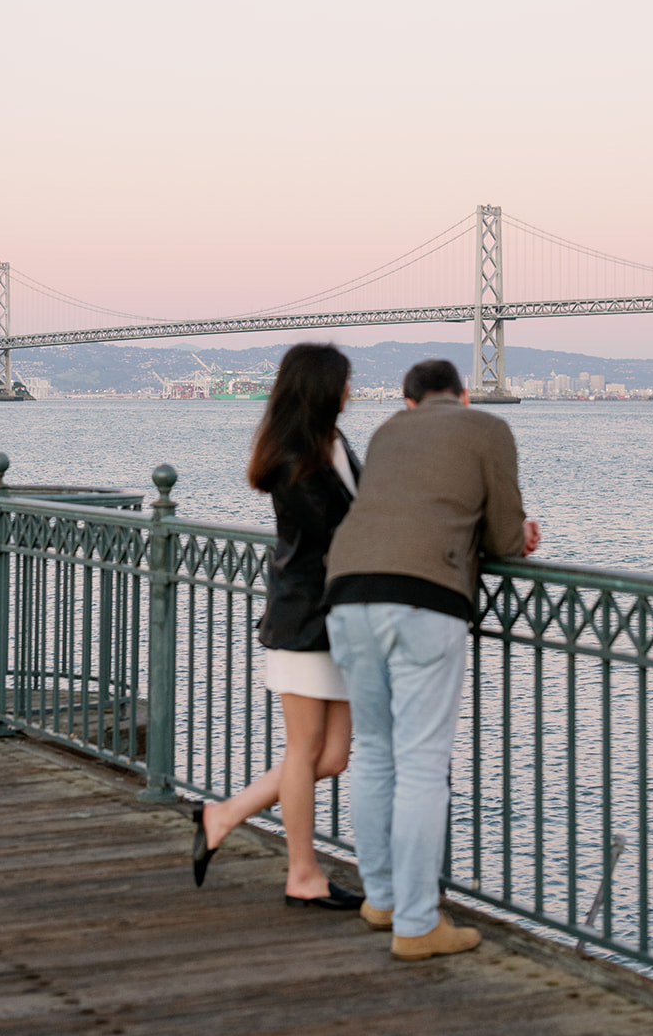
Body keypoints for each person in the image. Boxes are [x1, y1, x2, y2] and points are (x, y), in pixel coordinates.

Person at [325, 358, 540, 960]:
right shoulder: (487, 429)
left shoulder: (388, 430)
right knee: (421, 766)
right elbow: (502, 537)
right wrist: (519, 535)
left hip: (346, 592)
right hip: (423, 599)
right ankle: (418, 925)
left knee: (372, 751)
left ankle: (383, 899)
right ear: (464, 396)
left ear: (409, 400)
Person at [192, 342, 363, 910]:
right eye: (343, 381)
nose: (350, 390)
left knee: (332, 756)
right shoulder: (296, 459)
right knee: (304, 748)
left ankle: (224, 815)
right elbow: (342, 534)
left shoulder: (333, 445)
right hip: (304, 618)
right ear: (319, 389)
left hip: (335, 620)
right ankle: (303, 873)